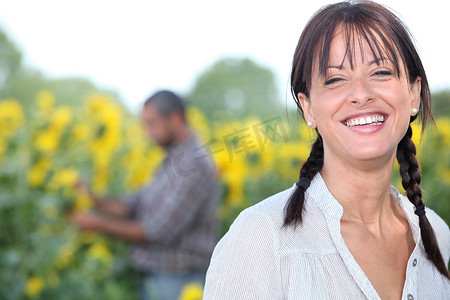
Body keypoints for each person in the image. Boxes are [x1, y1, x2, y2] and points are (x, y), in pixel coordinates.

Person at [204, 1, 449, 299]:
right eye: (335, 79)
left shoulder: (438, 236)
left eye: (381, 72)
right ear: (308, 108)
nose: (361, 94)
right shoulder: (261, 240)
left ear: (413, 94)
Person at [70, 90, 219, 300]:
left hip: (178, 281)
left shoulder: (193, 163)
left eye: (152, 123)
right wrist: (90, 196)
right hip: (161, 277)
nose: (147, 133)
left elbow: (158, 231)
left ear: (175, 118)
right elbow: (134, 204)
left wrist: (97, 224)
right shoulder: (175, 156)